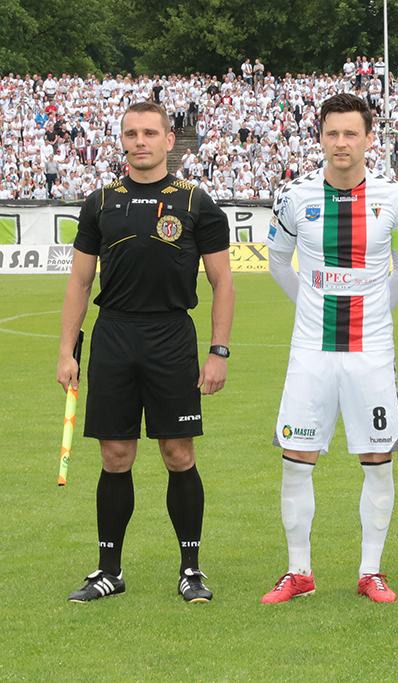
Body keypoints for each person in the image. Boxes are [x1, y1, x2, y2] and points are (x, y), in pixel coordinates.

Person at [57, 101, 235, 603]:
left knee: (178, 453)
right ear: (121, 140)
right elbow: (80, 281)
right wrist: (67, 350)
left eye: (150, 133)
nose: (140, 141)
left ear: (169, 140)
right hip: (113, 336)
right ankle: (108, 571)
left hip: (170, 337)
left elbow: (223, 283)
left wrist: (218, 351)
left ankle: (191, 569)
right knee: (115, 456)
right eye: (131, 133)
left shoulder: (196, 202)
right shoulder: (100, 202)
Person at [260, 93, 398, 605]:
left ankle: (371, 572)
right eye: (333, 133)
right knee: (296, 458)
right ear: (321, 137)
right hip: (312, 349)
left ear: (370, 138)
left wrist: (375, 314)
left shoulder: (395, 199)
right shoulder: (294, 196)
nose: (342, 142)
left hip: (371, 352)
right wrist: (312, 304)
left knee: (377, 457)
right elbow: (278, 263)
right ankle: (299, 572)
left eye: (352, 133)